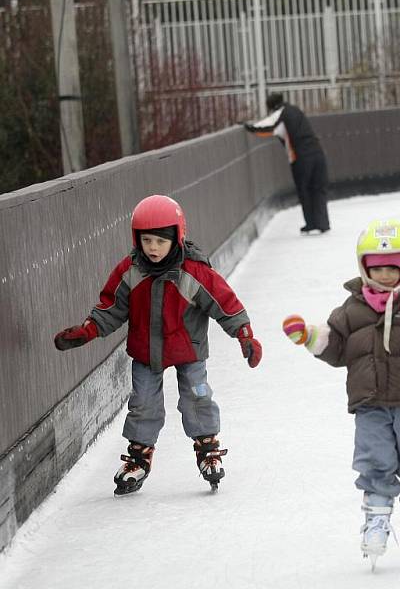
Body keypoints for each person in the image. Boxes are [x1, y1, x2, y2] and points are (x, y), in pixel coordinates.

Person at [53, 194, 263, 495]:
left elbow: (224, 303)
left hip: (188, 349)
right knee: (143, 404)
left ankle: (207, 448)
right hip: (145, 351)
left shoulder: (193, 271)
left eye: (159, 241)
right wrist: (88, 330)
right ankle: (139, 456)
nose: (152, 248)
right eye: (146, 240)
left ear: (177, 238)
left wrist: (244, 334)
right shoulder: (131, 270)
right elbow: (111, 306)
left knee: (197, 395)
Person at [281, 219, 400, 569]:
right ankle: (376, 519)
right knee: (375, 461)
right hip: (370, 405)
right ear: (364, 269)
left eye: (393, 268)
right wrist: (309, 337)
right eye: (377, 270)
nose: (386, 276)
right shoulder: (351, 310)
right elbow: (335, 348)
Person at [244, 93, 331, 235]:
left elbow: (264, 128)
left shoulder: (280, 115)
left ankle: (311, 223)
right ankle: (323, 223)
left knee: (305, 190)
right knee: (319, 189)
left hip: (301, 157)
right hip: (318, 152)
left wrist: (248, 127)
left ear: (271, 107)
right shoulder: (295, 110)